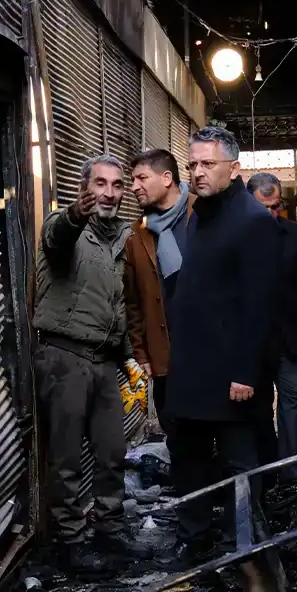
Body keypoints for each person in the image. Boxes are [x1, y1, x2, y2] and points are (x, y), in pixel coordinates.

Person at [164, 126, 280, 562]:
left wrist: (246, 372)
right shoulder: (199, 215)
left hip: (232, 374)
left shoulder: (252, 220)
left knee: (239, 463)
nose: (197, 172)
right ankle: (194, 539)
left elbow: (261, 304)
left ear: (234, 168)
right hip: (193, 368)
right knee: (189, 459)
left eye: (207, 164)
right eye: (192, 164)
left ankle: (244, 546)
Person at [33, 154, 151, 574]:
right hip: (64, 357)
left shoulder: (120, 238)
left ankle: (110, 528)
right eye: (100, 184)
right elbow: (57, 239)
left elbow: (117, 303)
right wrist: (73, 215)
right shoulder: (62, 225)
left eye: (117, 185)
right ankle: (72, 541)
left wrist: (129, 360)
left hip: (105, 362)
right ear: (85, 188)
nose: (109, 193)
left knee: (111, 451)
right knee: (65, 456)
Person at [248, 172, 297, 479]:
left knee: (293, 407)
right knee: (257, 412)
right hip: (255, 346)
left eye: (277, 206)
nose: (273, 213)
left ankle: (292, 474)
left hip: (291, 341)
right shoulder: (238, 237)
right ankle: (263, 474)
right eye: (265, 207)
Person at [123, 148, 192, 423]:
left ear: (166, 178)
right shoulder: (137, 233)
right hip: (165, 359)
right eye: (132, 179)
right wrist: (141, 352)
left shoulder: (203, 214)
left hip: (208, 354)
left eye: (141, 178)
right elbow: (133, 301)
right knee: (177, 438)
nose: (133, 187)